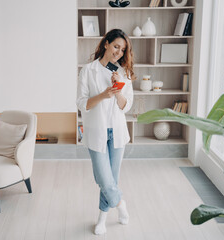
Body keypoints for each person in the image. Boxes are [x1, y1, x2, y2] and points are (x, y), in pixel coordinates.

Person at [76, 29, 135, 235]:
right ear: (106, 44)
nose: (119, 52)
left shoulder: (124, 72)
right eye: (116, 46)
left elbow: (126, 106)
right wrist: (103, 95)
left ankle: (101, 219)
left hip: (117, 132)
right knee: (103, 178)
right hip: (96, 131)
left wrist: (118, 93)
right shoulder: (88, 70)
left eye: (123, 49)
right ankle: (120, 204)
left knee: (111, 180)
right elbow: (82, 103)